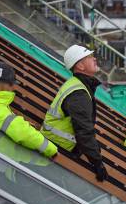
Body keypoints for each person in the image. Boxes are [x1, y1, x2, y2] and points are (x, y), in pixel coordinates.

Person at [41, 45, 107, 181]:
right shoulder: (79, 93)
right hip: (56, 151)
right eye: (89, 57)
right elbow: (84, 131)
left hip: (54, 147)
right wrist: (97, 162)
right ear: (80, 66)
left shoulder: (77, 85)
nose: (94, 59)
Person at [0, 61, 57, 159]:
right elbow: (21, 132)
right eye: (10, 84)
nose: (13, 87)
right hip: (1, 160)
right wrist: (51, 150)